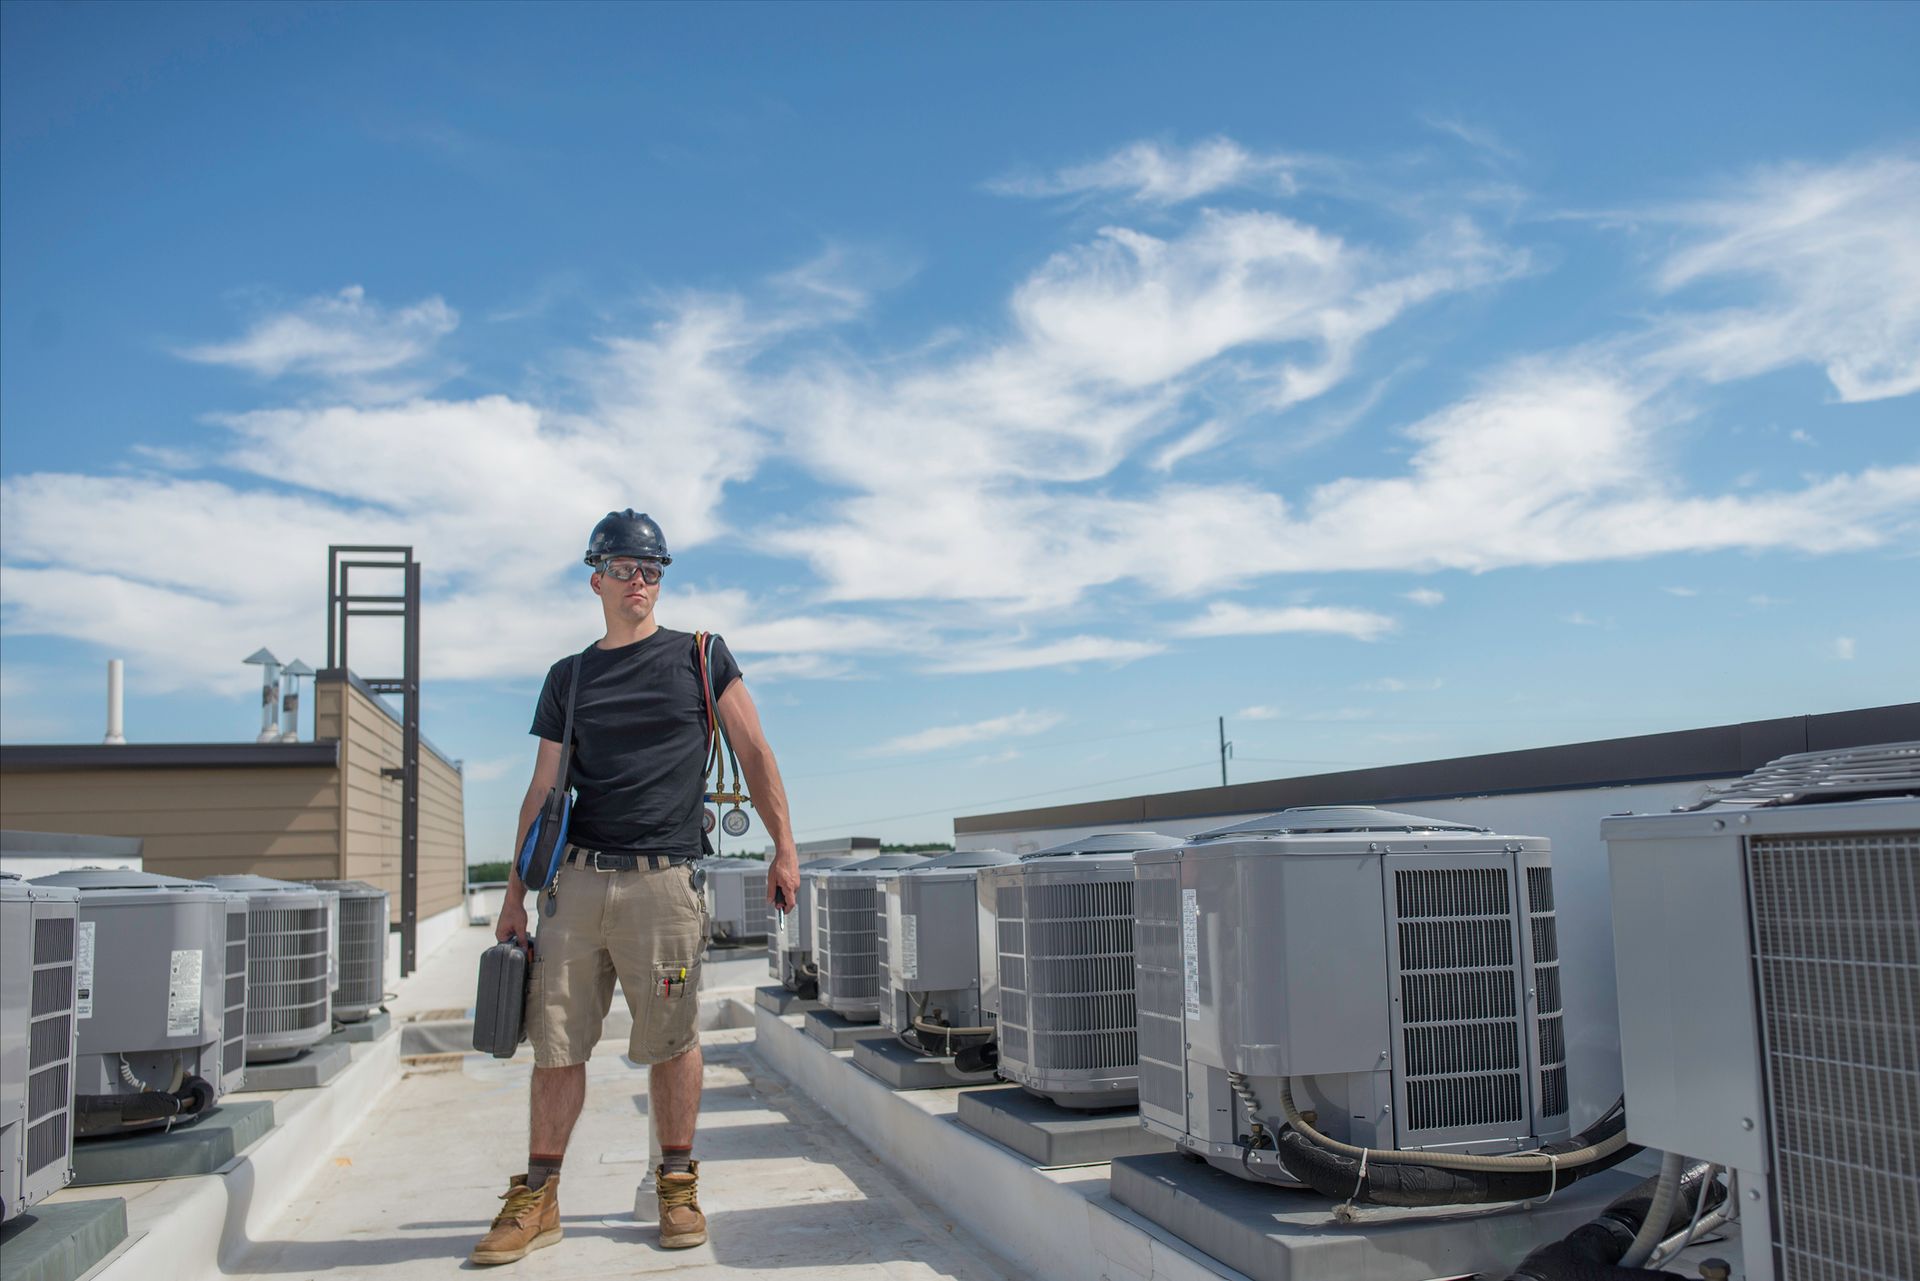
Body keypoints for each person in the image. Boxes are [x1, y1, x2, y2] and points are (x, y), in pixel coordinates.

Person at [470, 509, 801, 1264]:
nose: (640, 581)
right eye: (624, 568)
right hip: (578, 887)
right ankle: (539, 1196)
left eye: (652, 570)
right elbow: (541, 787)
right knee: (556, 1044)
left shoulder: (701, 655)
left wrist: (785, 848)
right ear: (597, 578)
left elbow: (754, 751)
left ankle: (677, 1182)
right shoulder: (571, 676)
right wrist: (515, 894)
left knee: (672, 1039)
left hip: (665, 887)